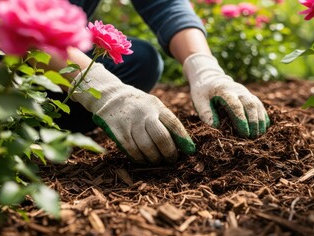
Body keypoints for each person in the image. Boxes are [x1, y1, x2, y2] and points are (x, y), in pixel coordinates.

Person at [50, 0, 270, 166]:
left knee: (142, 62)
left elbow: (166, 5)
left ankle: (48, 117)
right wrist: (105, 90)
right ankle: (24, 124)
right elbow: (16, 18)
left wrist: (203, 67)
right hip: (21, 55)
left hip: (64, 49)